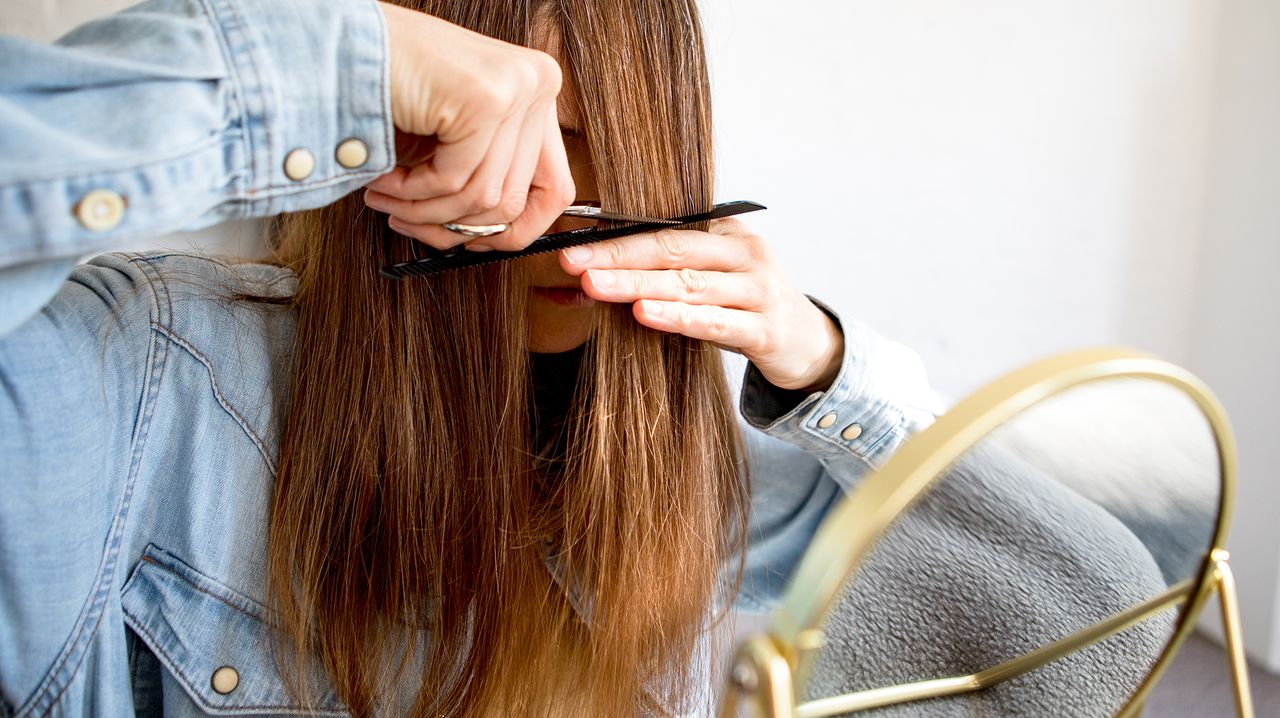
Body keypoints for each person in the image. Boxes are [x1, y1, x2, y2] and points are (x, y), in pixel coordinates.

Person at [0, 1, 1170, 717]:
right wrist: (314, 68)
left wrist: (822, 368)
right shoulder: (145, 386)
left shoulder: (709, 478)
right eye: (503, 138)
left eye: (615, 142)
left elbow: (1099, 623)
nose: (574, 200)